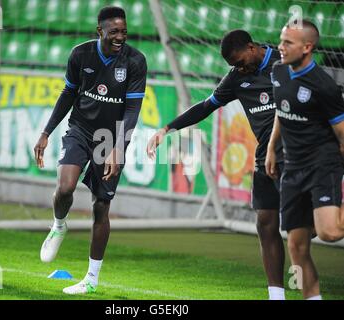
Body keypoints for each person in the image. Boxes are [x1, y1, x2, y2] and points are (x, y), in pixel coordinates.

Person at [147, 30, 290, 300]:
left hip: (297, 154)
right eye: (233, 66)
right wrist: (167, 128)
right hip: (265, 157)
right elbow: (206, 106)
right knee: (265, 222)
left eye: (240, 62)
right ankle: (276, 296)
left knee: (307, 228)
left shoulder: (283, 64)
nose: (238, 69)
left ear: (251, 47)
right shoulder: (237, 78)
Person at [34, 6, 147, 295]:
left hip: (111, 138)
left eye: (124, 31)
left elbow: (133, 110)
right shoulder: (80, 55)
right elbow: (68, 94)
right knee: (66, 187)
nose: (120, 37)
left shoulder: (136, 61)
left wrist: (118, 149)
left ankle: (91, 280)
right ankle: (59, 224)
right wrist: (46, 132)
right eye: (114, 32)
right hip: (81, 130)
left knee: (101, 206)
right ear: (100, 31)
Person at [266, 20, 344, 300]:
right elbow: (282, 109)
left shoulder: (325, 87)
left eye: (288, 42)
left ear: (307, 47)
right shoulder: (278, 72)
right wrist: (272, 147)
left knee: (330, 232)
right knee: (297, 247)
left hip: (322, 165)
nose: (280, 47)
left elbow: (342, 135)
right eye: (281, 40)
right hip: (292, 167)